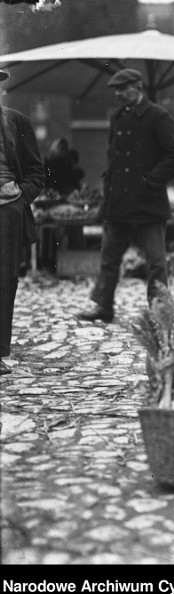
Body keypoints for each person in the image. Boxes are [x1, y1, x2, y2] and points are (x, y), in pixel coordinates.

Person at [75, 68, 174, 323]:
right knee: (109, 258)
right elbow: (114, 158)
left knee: (156, 262)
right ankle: (103, 307)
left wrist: (150, 181)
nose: (118, 94)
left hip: (148, 204)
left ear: (138, 88)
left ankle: (160, 312)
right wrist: (108, 194)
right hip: (118, 204)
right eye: (115, 90)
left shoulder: (158, 116)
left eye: (123, 89)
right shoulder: (117, 116)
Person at [1, 68, 45, 375]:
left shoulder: (16, 122)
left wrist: (20, 198)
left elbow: (36, 173)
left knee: (4, 278)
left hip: (7, 209)